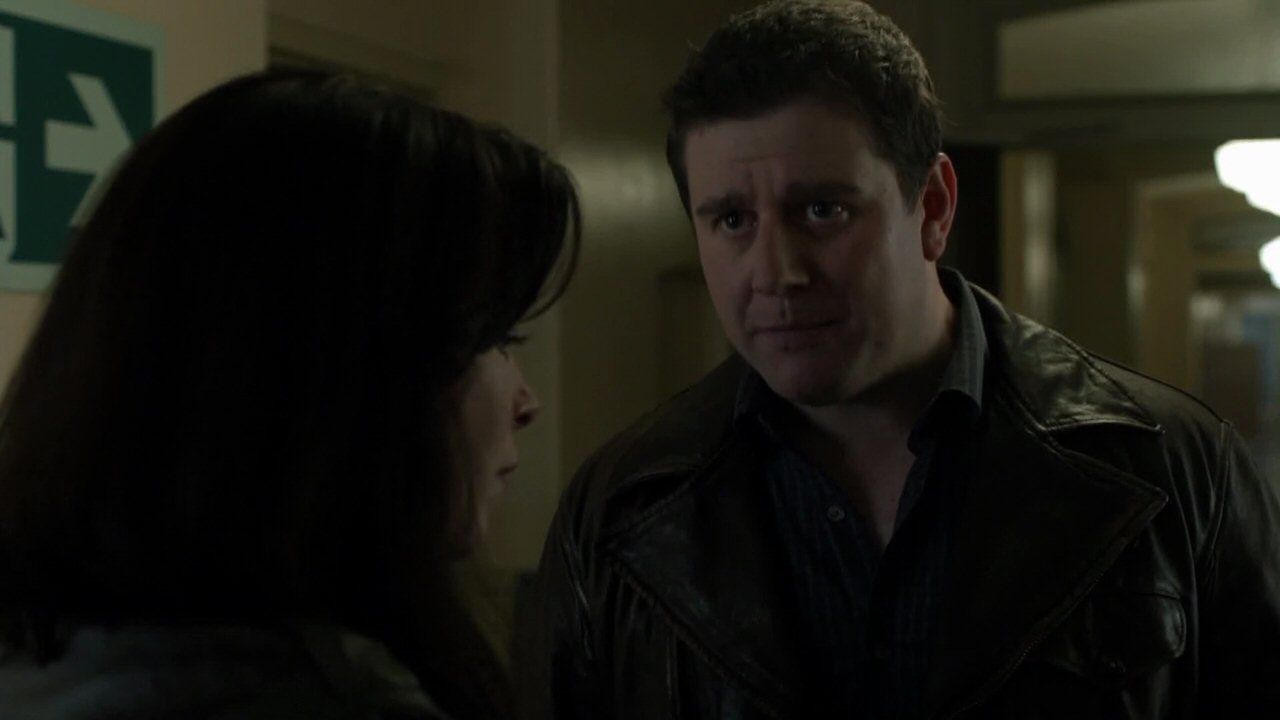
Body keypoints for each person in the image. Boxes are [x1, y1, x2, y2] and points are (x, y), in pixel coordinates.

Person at [520, 1, 1280, 718]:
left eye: (822, 210)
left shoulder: (1171, 467)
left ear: (935, 207)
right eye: (732, 220)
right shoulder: (621, 511)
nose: (777, 272)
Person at [0, 69, 579, 720]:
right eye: (494, 336)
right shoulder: (324, 700)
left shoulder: (48, 657)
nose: (526, 402)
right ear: (347, 375)